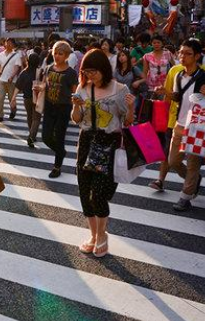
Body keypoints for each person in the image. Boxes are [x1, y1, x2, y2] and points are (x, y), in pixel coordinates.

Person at [71, 49, 135, 258]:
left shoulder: (119, 89)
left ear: (104, 70)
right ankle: (93, 235)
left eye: (94, 72)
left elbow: (127, 122)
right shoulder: (83, 87)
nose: (90, 76)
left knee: (98, 192)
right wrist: (76, 107)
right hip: (87, 141)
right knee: (84, 190)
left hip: (109, 142)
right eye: (87, 72)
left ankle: (102, 235)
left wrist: (131, 108)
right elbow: (76, 119)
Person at [157, 39, 205, 211]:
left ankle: (185, 196)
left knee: (193, 164)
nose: (182, 56)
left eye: (188, 53)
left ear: (197, 56)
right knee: (173, 161)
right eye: (181, 52)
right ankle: (193, 181)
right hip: (179, 124)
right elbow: (178, 97)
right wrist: (167, 93)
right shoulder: (178, 75)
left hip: (198, 127)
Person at [41, 41, 79, 177]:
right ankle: (61, 151)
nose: (57, 56)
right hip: (49, 105)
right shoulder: (49, 68)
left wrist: (76, 107)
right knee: (45, 137)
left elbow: (75, 93)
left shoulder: (71, 73)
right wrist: (40, 88)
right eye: (55, 53)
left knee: (60, 137)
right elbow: (46, 85)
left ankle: (57, 167)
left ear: (67, 55)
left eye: (60, 54)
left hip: (64, 108)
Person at [14, 53, 41, 148]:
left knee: (30, 116)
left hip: (27, 98)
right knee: (36, 118)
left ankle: (31, 133)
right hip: (38, 97)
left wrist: (13, 98)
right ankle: (32, 136)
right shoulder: (40, 72)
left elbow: (18, 86)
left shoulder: (24, 72)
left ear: (28, 61)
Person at [0, 38, 23, 122]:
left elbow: (17, 67)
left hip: (11, 81)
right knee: (0, 99)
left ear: (13, 45)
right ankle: (0, 115)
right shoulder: (1, 54)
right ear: (5, 44)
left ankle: (13, 111)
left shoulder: (16, 55)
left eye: (10, 43)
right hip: (2, 80)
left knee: (11, 99)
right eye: (7, 43)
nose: (8, 45)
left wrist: (12, 76)